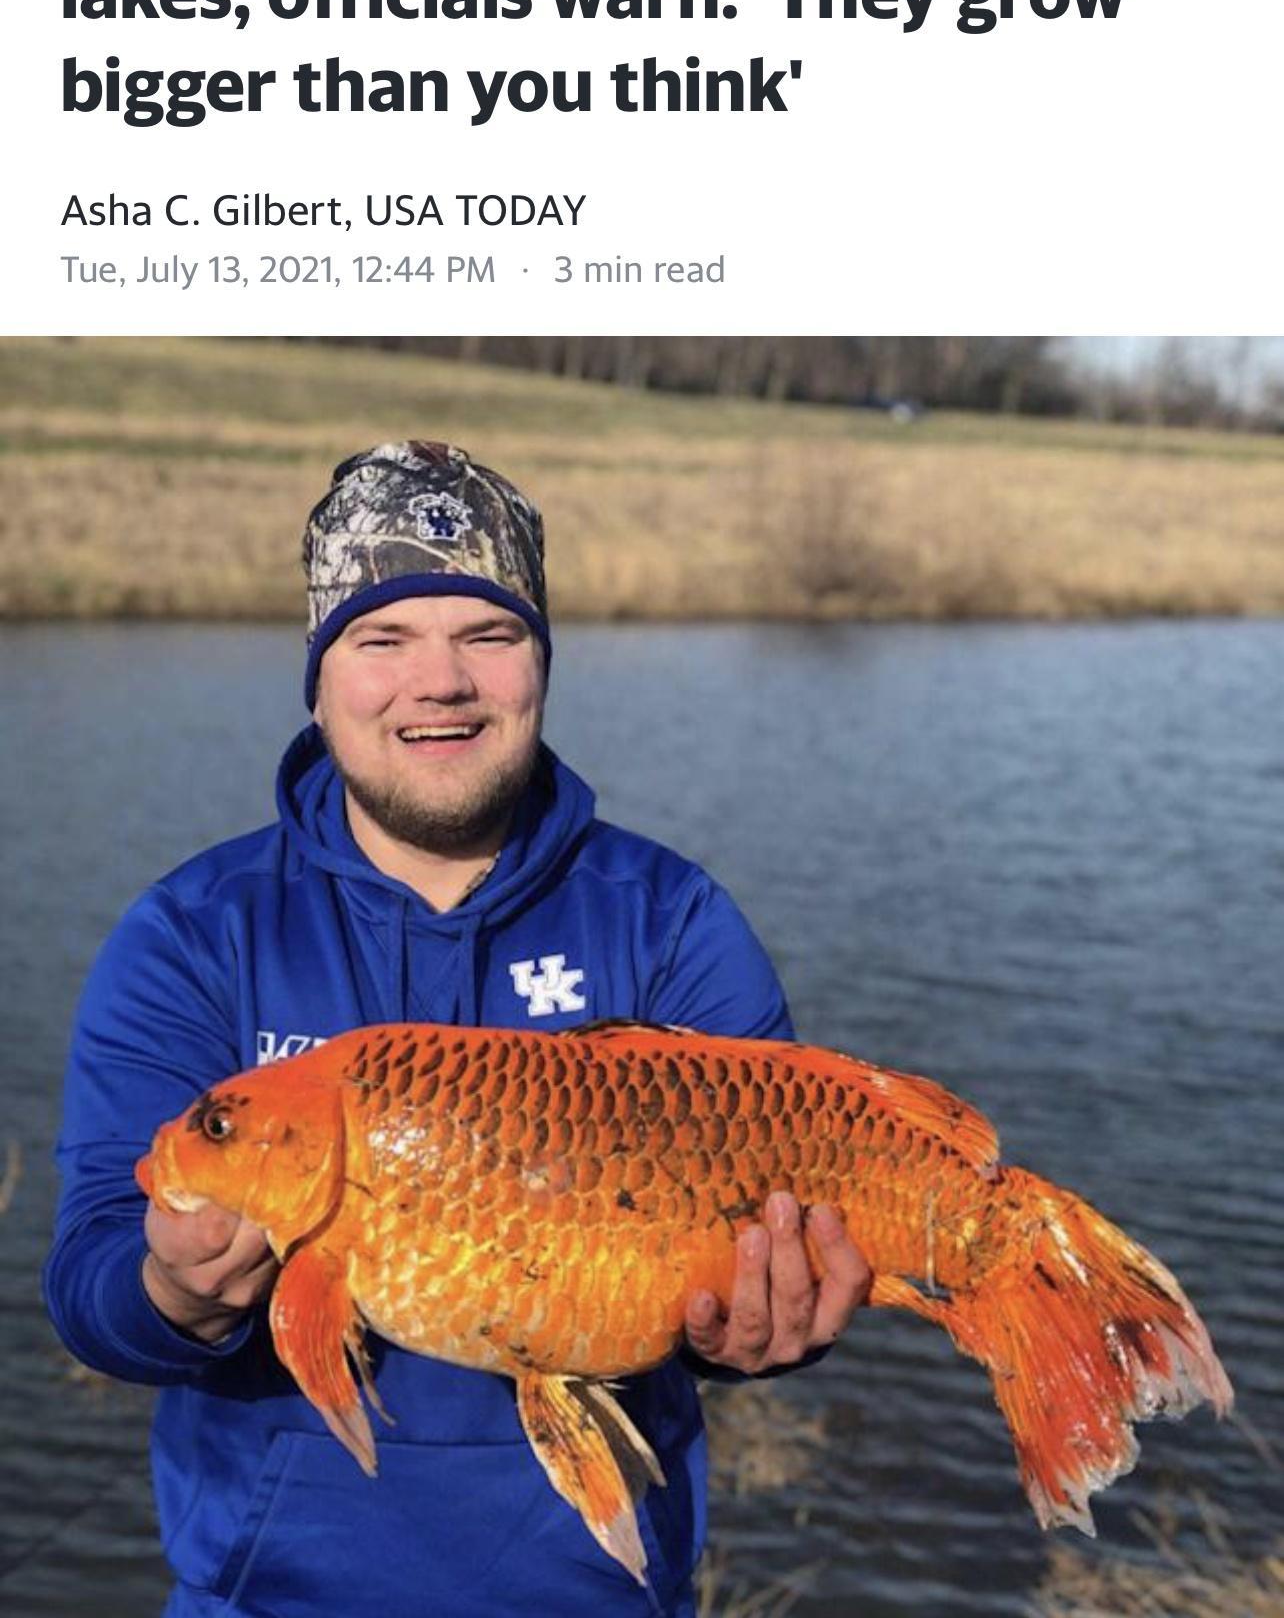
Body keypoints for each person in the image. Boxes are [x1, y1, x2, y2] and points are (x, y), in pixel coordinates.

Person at [45, 441, 870, 1618]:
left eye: (488, 634)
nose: (439, 681)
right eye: (382, 640)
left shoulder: (672, 919)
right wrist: (174, 1296)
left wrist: (773, 1330)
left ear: (540, 664)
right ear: (320, 681)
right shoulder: (192, 931)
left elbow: (788, 1250)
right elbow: (88, 1282)